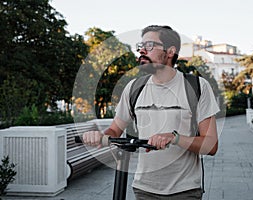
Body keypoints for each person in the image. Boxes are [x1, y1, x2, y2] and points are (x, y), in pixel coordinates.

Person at [83, 25, 220, 200]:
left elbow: (211, 145)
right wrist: (100, 136)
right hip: (144, 189)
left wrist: (175, 138)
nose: (141, 51)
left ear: (170, 51)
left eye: (149, 46)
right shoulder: (134, 88)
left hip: (185, 190)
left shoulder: (197, 87)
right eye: (140, 46)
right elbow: (114, 130)